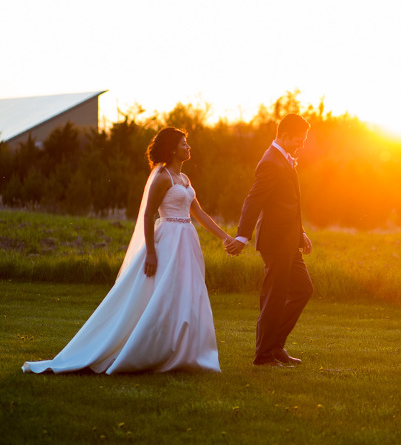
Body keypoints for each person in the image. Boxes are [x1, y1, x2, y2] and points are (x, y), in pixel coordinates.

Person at [22, 127, 231, 374]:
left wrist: (225, 237)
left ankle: (184, 352)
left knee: (188, 293)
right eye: (184, 144)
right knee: (162, 293)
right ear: (173, 149)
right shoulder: (163, 177)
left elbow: (199, 213)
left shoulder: (185, 180)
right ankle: (148, 349)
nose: (188, 147)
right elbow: (148, 214)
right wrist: (151, 252)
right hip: (167, 241)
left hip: (187, 241)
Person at [226, 113, 313, 367]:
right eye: (299, 139)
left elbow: (287, 205)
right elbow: (254, 200)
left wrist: (301, 233)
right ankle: (264, 355)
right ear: (284, 136)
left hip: (289, 240)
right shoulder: (270, 162)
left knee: (303, 289)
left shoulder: (284, 159)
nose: (302, 144)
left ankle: (275, 345)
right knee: (273, 298)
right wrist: (243, 235)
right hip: (275, 242)